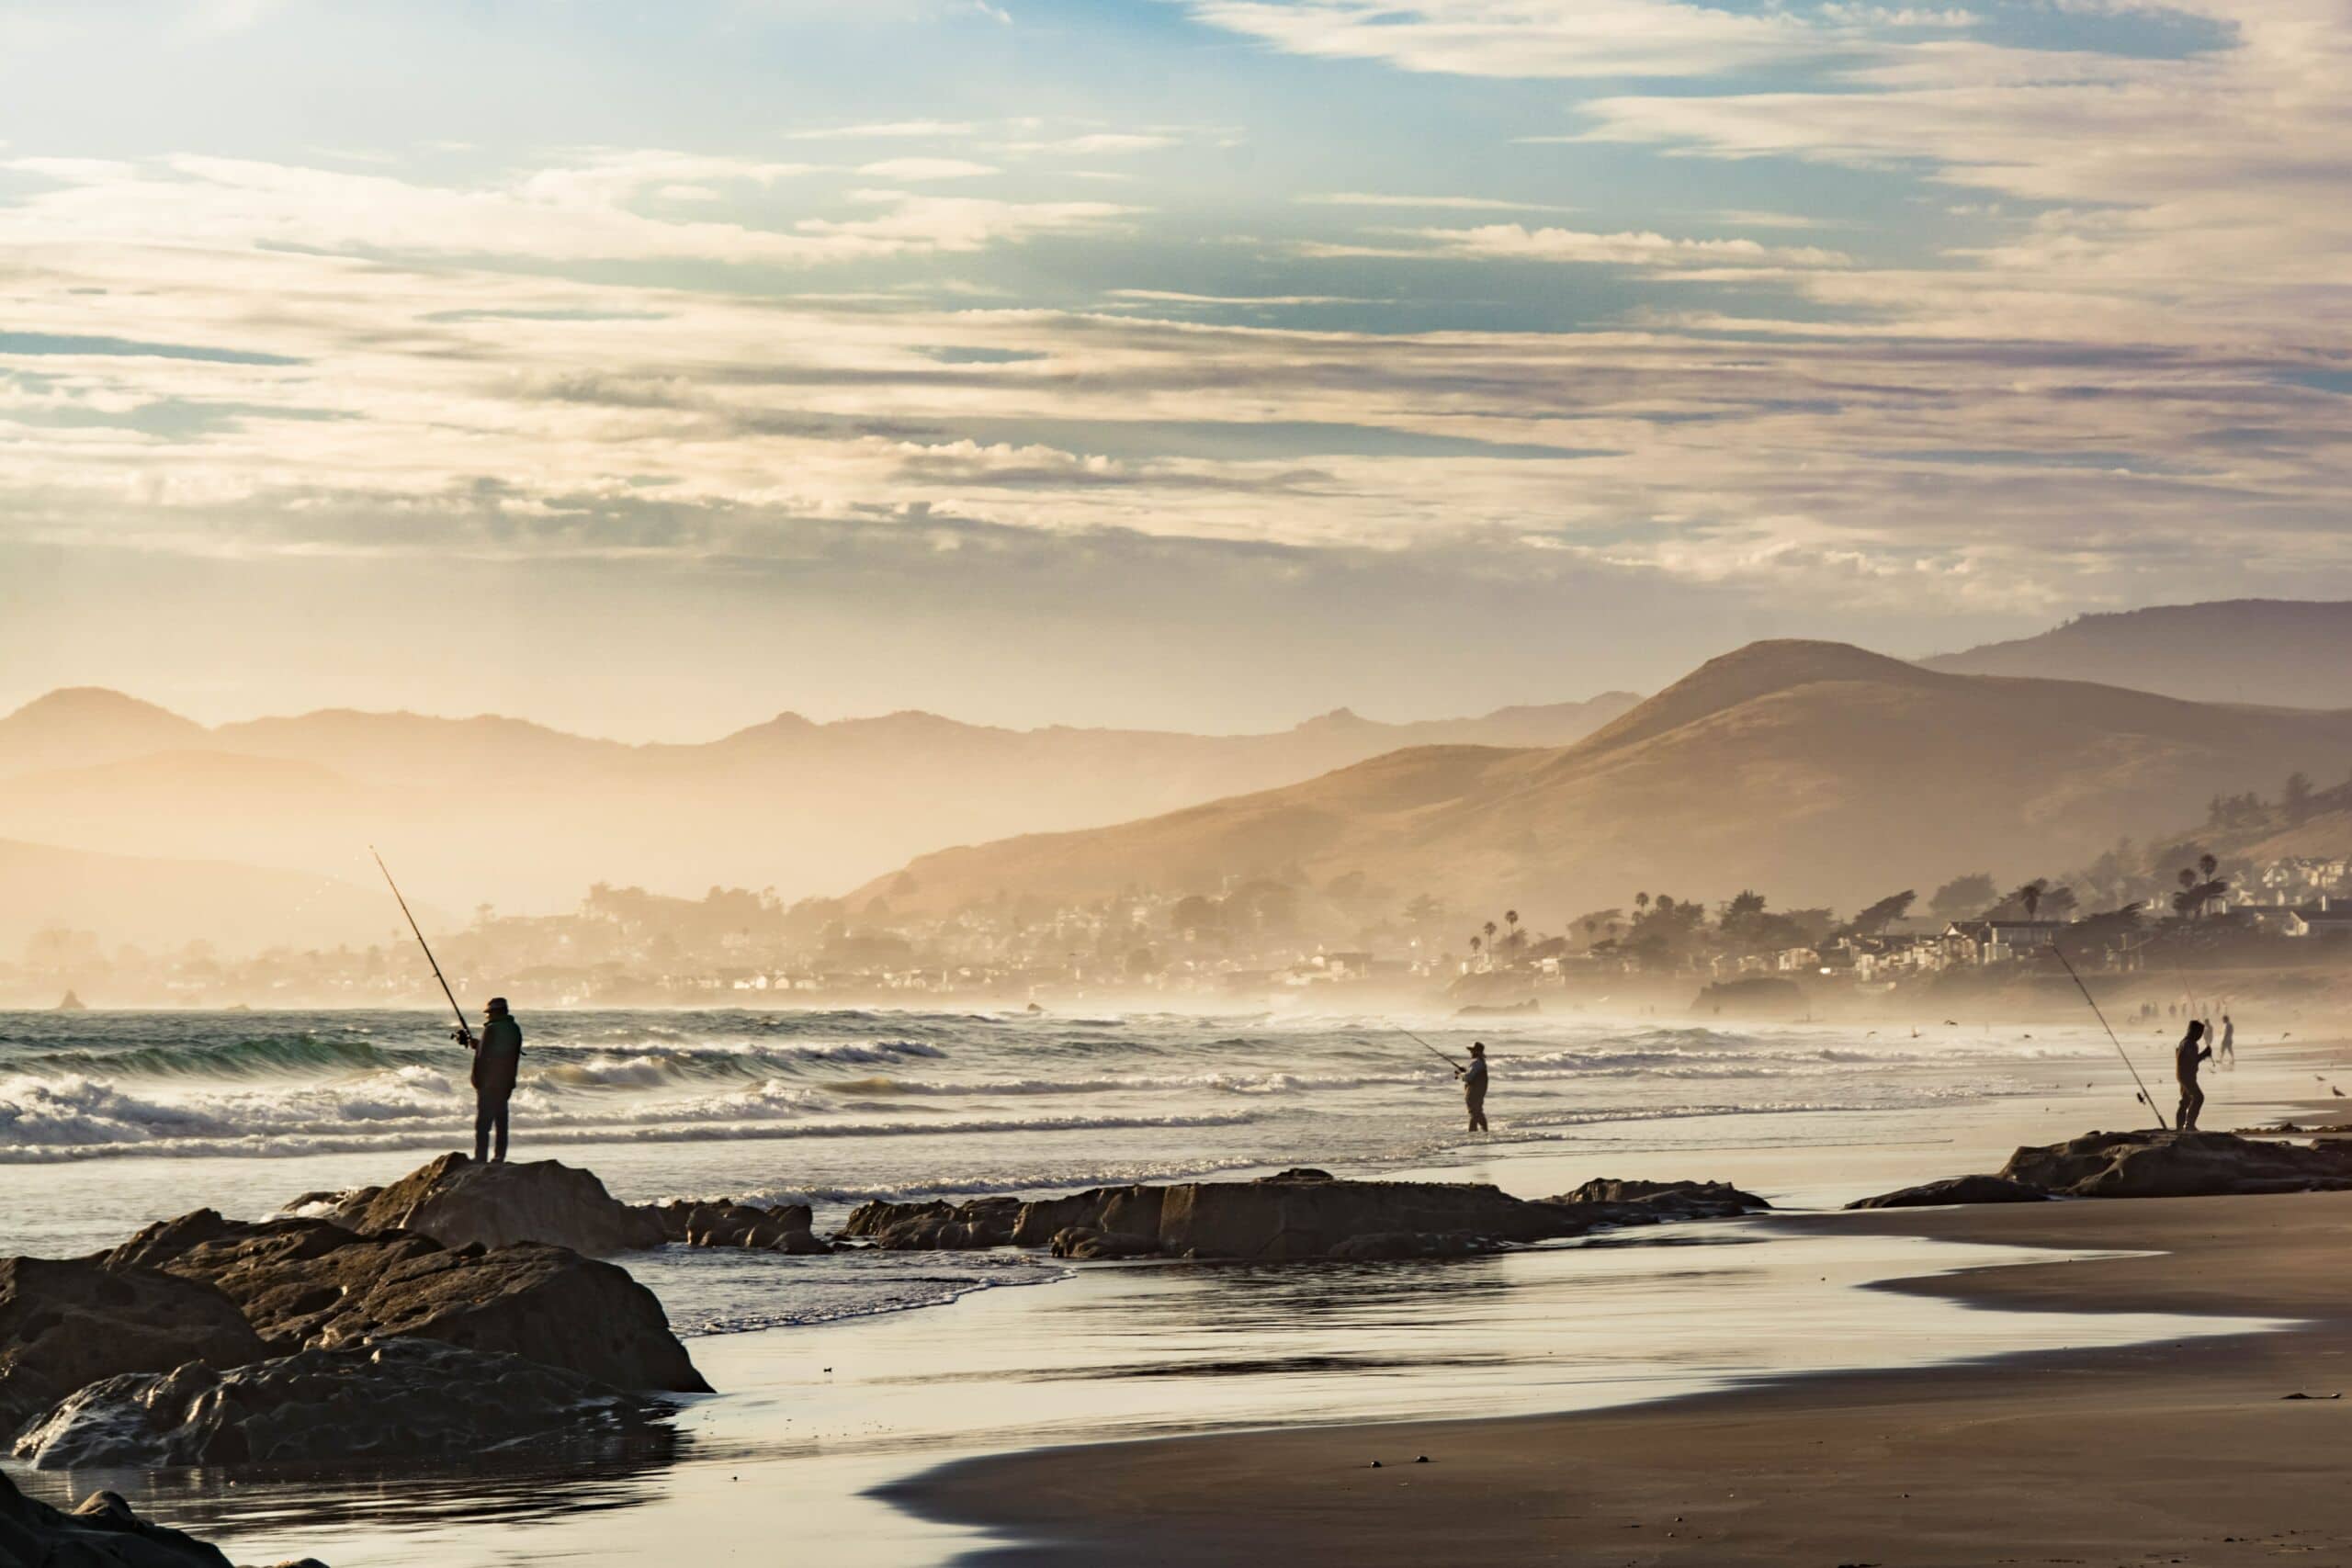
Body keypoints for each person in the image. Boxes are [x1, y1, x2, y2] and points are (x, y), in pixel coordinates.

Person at [458, 996, 524, 1163]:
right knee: (501, 1121)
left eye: (488, 1013)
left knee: (483, 1124)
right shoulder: (514, 1029)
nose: (487, 1016)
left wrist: (476, 1080)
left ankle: (480, 1158)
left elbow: (483, 1057)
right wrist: (478, 1044)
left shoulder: (491, 1029)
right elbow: (502, 1052)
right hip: (506, 1082)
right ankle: (499, 1157)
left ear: (495, 1013)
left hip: (489, 1083)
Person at [2174, 1019, 2211, 1132]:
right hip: (2186, 1076)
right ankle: (2189, 1125)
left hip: (2182, 1075)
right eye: (2199, 1033)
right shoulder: (2189, 1044)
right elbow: (2193, 1060)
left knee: (2185, 1100)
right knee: (2198, 1097)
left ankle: (2180, 1127)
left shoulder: (2183, 1042)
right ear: (2192, 1031)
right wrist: (2205, 1053)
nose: (2200, 1036)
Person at [1456, 1041, 1489, 1133]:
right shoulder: (1481, 1062)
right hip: (1479, 1091)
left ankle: (1483, 1131)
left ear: (1476, 1052)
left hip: (1473, 1092)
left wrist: (1460, 1074)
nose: (1470, 1053)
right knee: (1476, 1113)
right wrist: (1465, 1071)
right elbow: (1473, 1074)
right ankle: (1475, 1133)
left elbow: (1468, 1077)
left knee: (1475, 1113)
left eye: (1472, 1051)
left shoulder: (1476, 1063)